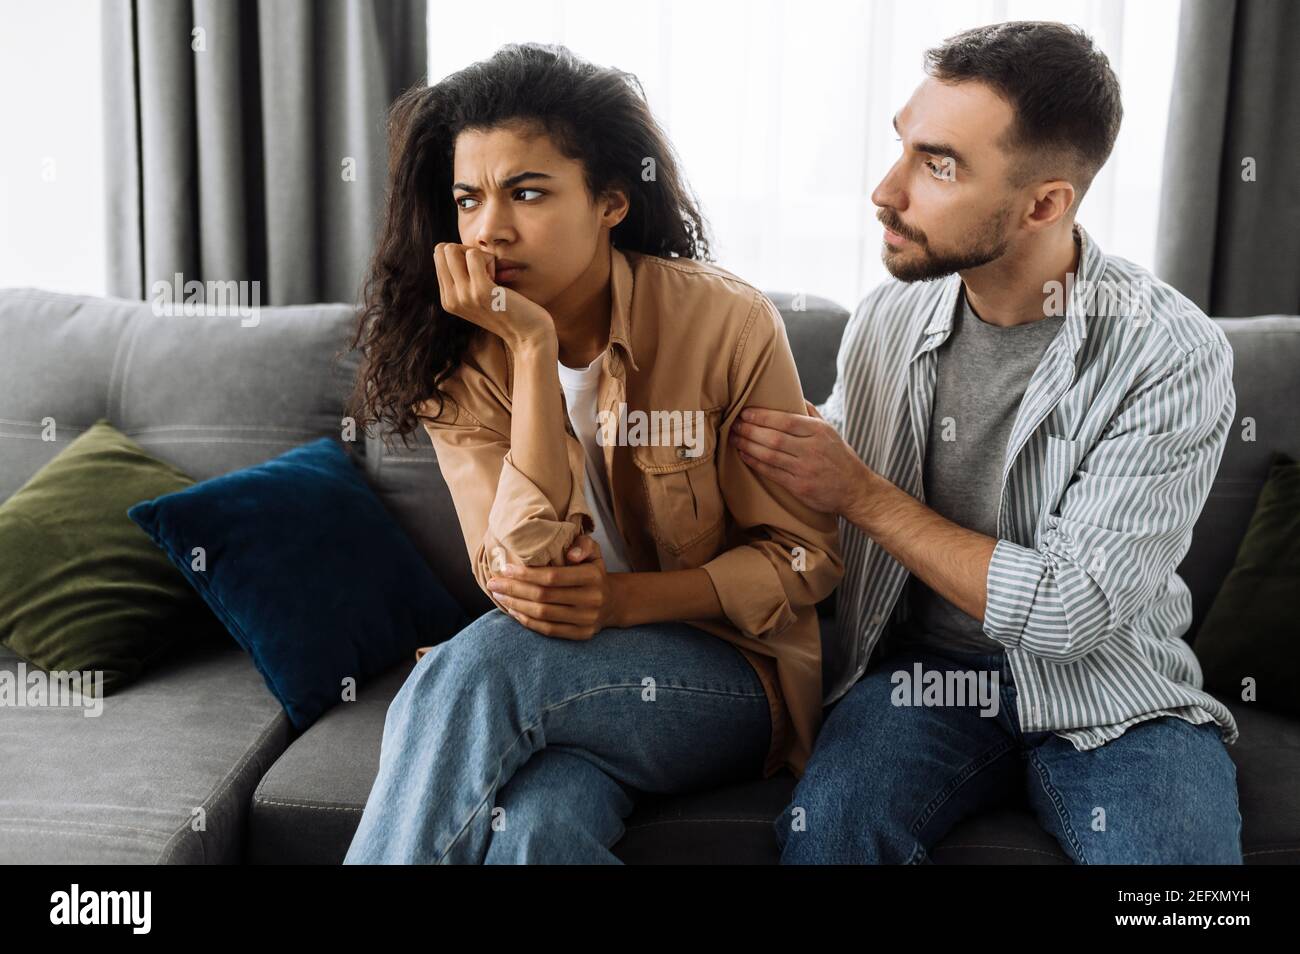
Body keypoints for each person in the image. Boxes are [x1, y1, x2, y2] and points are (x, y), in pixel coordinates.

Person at [730, 21, 1243, 864]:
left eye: (938, 165)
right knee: (828, 839)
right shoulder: (891, 313)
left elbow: (1071, 610)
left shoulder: (1171, 354)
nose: (885, 192)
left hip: (1113, 698)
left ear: (1045, 203)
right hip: (924, 680)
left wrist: (859, 491)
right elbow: (826, 459)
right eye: (903, 146)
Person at [340, 42, 841, 865]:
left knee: (476, 671)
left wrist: (620, 603)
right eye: (468, 200)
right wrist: (531, 351)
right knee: (537, 831)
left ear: (610, 201)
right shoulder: (453, 357)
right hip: (570, 684)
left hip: (732, 679)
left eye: (526, 192)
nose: (490, 230)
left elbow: (804, 558)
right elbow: (515, 567)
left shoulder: (727, 326)